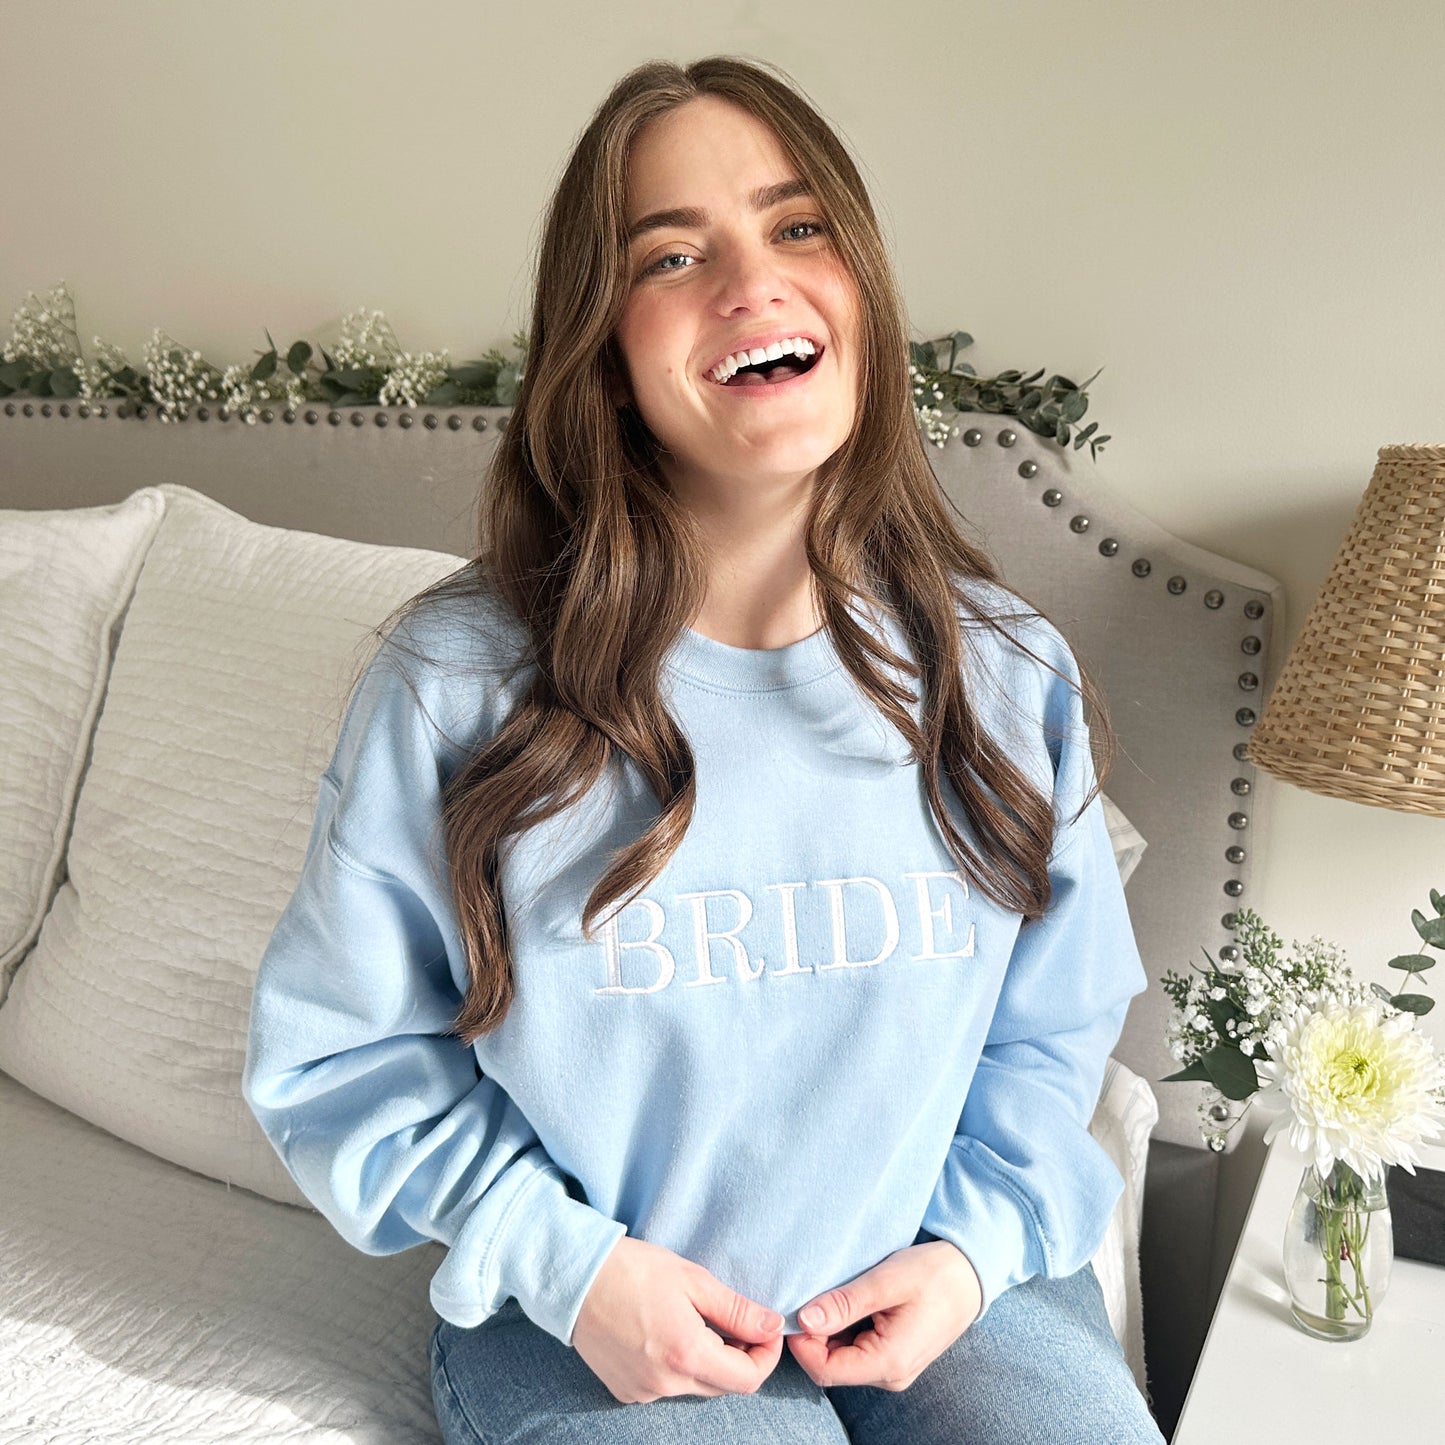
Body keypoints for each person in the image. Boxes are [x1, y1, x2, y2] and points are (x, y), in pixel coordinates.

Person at [242, 53, 1167, 1445]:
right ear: (603, 355)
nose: (752, 283)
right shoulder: (457, 685)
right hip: (588, 1319)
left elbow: (1051, 1036)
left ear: (861, 294)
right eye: (672, 254)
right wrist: (575, 1269)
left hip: (951, 1288)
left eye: (797, 230)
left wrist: (971, 1252)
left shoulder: (1003, 668)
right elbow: (339, 1058)